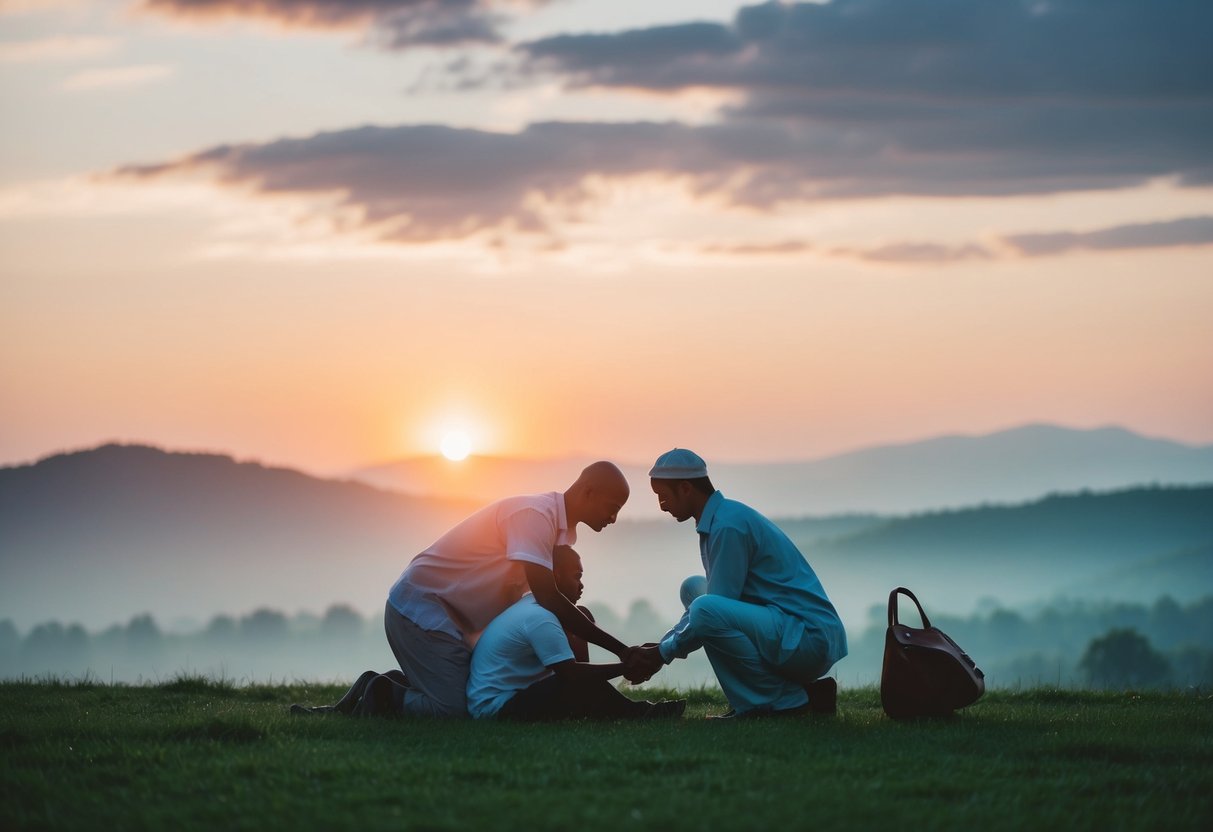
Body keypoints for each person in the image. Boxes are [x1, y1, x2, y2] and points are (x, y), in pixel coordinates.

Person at [298, 461, 645, 718]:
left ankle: (377, 686)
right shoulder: (535, 516)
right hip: (421, 609)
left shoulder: (556, 532)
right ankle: (382, 693)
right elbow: (548, 597)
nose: (613, 518)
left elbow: (533, 599)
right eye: (612, 508)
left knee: (469, 693)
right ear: (587, 492)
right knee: (455, 710)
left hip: (450, 618)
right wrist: (622, 651)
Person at [629, 449, 847, 719]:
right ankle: (803, 692)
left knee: (705, 609)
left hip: (807, 638)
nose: (661, 505)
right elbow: (716, 605)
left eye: (663, 496)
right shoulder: (722, 518)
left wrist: (662, 653)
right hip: (792, 629)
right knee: (694, 590)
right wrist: (664, 645)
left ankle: (782, 704)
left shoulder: (728, 526)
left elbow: (712, 611)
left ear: (685, 488)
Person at [467, 545, 686, 721]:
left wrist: (625, 660)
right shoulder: (539, 617)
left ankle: (630, 711)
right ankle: (639, 713)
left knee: (582, 617)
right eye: (576, 576)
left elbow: (579, 673)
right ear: (556, 576)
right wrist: (627, 666)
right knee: (573, 681)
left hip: (515, 697)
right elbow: (570, 675)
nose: (581, 585)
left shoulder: (537, 608)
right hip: (495, 708)